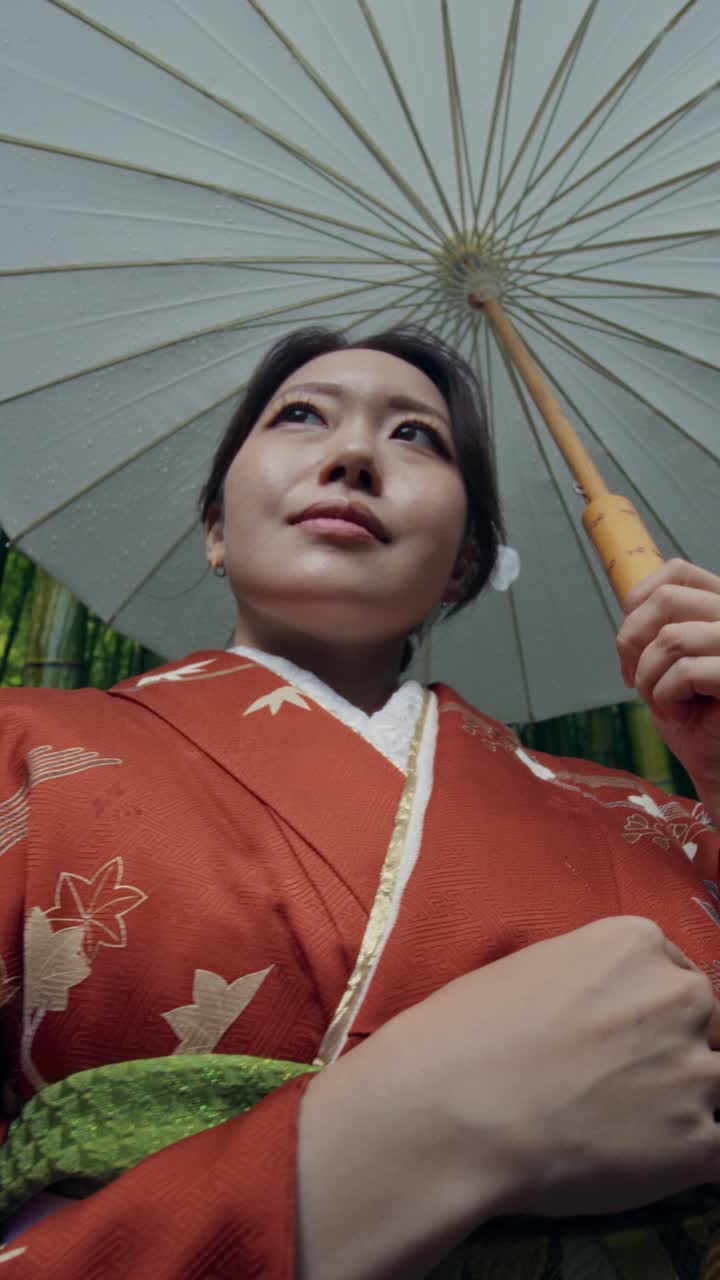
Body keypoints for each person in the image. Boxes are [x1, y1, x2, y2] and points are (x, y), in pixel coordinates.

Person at [0, 325, 720, 1280]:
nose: (351, 455)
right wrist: (407, 1138)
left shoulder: (652, 818)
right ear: (216, 526)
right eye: (301, 416)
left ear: (465, 559)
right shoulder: (23, 748)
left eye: (417, 436)